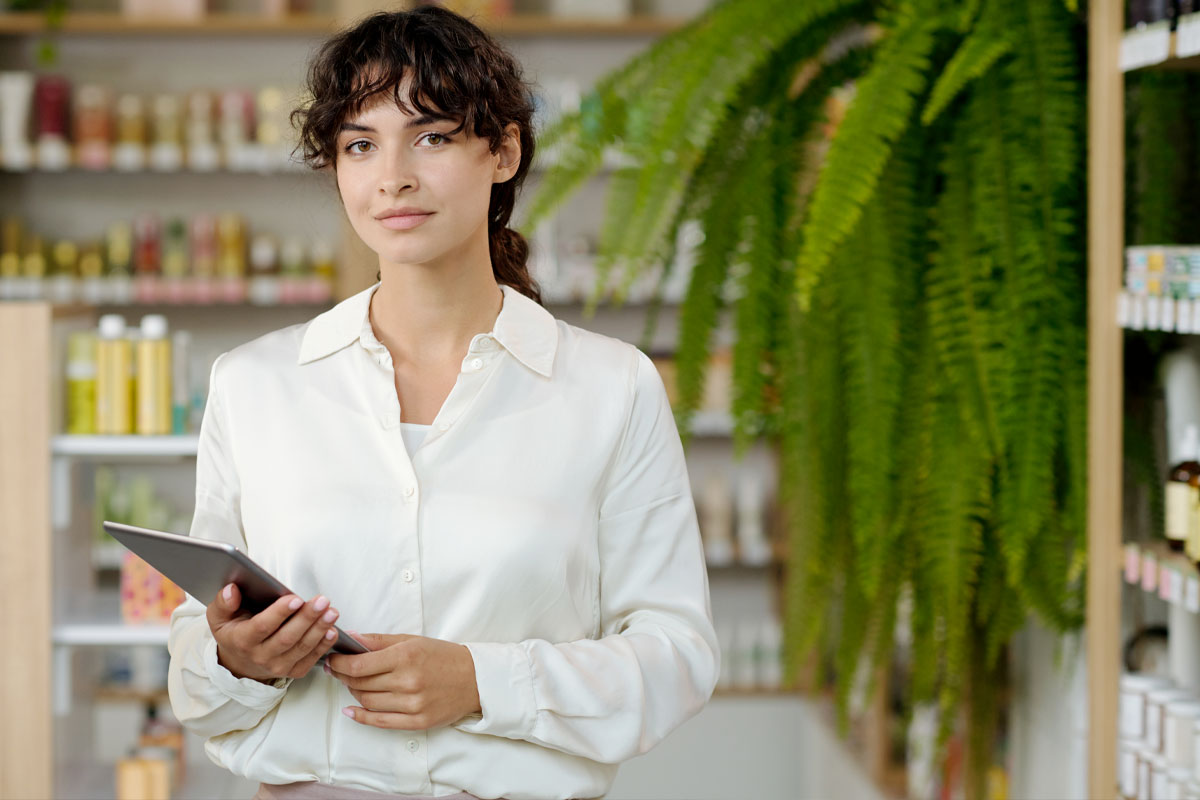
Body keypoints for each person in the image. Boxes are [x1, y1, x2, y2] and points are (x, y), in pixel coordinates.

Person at [165, 6, 719, 800]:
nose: (392, 175)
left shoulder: (611, 387)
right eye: (361, 144)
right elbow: (194, 660)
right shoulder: (256, 384)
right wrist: (237, 660)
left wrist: (482, 680)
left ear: (503, 151)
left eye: (430, 135)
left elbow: (677, 655)